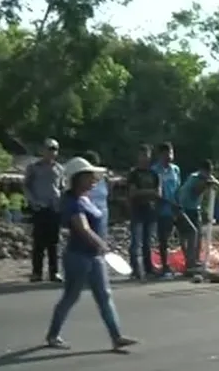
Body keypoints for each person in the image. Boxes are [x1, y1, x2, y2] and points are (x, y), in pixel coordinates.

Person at [45, 156, 137, 351]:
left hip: (94, 256)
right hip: (78, 256)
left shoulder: (85, 198)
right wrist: (102, 244)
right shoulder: (73, 202)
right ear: (77, 178)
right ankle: (53, 335)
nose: (94, 179)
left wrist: (101, 246)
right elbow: (83, 229)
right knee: (71, 296)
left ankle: (116, 336)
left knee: (104, 295)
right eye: (89, 176)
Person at [24, 138, 65, 282]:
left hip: (54, 208)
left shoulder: (59, 169)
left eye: (54, 149)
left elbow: (61, 187)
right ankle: (37, 272)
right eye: (49, 149)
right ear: (42, 151)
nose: (52, 152)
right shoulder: (34, 168)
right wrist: (33, 202)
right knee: (39, 243)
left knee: (54, 243)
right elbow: (26, 186)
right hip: (40, 208)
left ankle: (54, 272)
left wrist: (62, 203)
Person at [177, 160, 219, 273]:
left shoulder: (207, 178)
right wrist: (207, 184)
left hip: (195, 209)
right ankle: (189, 262)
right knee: (190, 235)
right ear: (201, 170)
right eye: (207, 172)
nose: (208, 174)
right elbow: (196, 190)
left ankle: (195, 260)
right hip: (185, 208)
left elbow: (216, 183)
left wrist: (210, 182)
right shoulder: (194, 177)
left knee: (199, 235)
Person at [126, 144, 161, 279]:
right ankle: (135, 269)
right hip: (137, 210)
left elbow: (158, 193)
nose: (144, 158)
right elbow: (133, 193)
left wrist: (148, 193)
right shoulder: (134, 174)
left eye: (146, 155)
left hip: (151, 210)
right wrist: (150, 192)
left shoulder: (154, 174)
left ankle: (148, 268)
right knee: (136, 242)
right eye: (142, 155)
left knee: (148, 242)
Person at [151, 142, 181, 278]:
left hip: (175, 208)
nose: (169, 156)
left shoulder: (175, 170)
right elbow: (155, 193)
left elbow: (178, 188)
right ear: (160, 155)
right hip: (161, 209)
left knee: (175, 237)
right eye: (166, 153)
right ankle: (164, 266)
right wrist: (169, 202)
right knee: (163, 239)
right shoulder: (155, 171)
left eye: (171, 153)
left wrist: (178, 203)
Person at [83, 150, 109, 239]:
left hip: (103, 211)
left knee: (102, 236)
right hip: (89, 211)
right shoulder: (82, 178)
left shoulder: (103, 177)